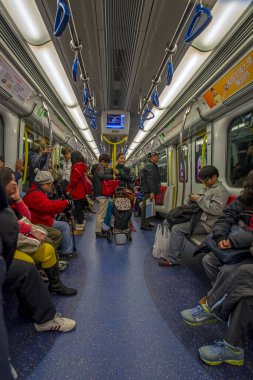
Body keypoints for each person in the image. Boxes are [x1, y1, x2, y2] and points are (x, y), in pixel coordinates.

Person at [0, 178, 76, 333]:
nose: (14, 183)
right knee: (27, 266)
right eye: (9, 180)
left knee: (47, 249)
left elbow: (25, 216)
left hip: (17, 238)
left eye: (14, 179)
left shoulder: (12, 199)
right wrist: (29, 228)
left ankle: (55, 285)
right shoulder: (35, 194)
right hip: (14, 240)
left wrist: (18, 199)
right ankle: (44, 318)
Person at [159, 165, 229, 267]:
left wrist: (198, 199)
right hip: (195, 217)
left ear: (214, 177)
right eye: (203, 180)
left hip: (206, 223)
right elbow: (196, 204)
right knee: (167, 221)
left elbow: (216, 210)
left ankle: (173, 259)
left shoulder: (221, 191)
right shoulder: (207, 188)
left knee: (177, 229)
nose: (204, 183)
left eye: (206, 180)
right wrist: (191, 200)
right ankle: (168, 250)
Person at [23, 169, 78, 260]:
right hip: (37, 221)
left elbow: (45, 206)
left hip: (39, 218)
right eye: (50, 184)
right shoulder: (36, 194)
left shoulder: (36, 191)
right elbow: (48, 207)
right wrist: (65, 203)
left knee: (60, 222)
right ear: (44, 184)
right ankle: (66, 252)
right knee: (64, 226)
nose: (51, 187)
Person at [93, 154, 114, 238]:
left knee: (101, 213)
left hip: (99, 193)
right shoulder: (100, 166)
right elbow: (102, 176)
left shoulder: (98, 167)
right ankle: (98, 231)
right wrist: (112, 176)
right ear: (102, 161)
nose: (107, 165)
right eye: (107, 163)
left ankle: (100, 229)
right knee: (101, 214)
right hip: (101, 193)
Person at [66, 151, 88, 231]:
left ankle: (79, 225)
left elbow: (73, 181)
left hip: (77, 191)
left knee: (78, 209)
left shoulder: (76, 167)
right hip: (81, 191)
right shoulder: (82, 166)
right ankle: (81, 223)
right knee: (80, 208)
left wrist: (68, 189)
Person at [140, 151, 161, 231]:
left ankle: (147, 223)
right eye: (156, 156)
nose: (158, 157)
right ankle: (144, 225)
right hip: (148, 191)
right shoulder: (150, 166)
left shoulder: (151, 165)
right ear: (152, 157)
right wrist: (152, 192)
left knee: (149, 207)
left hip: (149, 190)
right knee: (147, 208)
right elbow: (150, 179)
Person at [116, 152, 136, 231]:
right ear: (117, 160)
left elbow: (129, 179)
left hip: (127, 189)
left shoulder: (127, 169)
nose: (123, 160)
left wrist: (119, 173)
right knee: (118, 207)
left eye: (124, 158)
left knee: (128, 207)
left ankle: (129, 223)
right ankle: (119, 224)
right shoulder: (114, 168)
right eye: (121, 158)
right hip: (117, 190)